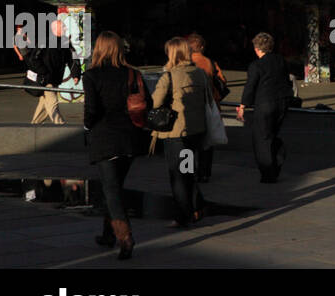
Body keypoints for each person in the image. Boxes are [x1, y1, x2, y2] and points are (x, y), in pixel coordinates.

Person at [82, 32, 147, 258]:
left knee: (111, 190)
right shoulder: (132, 73)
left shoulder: (91, 75)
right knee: (115, 186)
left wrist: (87, 127)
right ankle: (107, 234)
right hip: (130, 137)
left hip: (105, 137)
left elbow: (91, 110)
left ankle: (124, 236)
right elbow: (143, 104)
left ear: (98, 49)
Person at [150, 36, 210, 227]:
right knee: (188, 171)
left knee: (178, 176)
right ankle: (194, 208)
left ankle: (183, 214)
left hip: (177, 134)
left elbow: (155, 103)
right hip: (195, 131)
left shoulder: (169, 76)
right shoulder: (199, 73)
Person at [237, 32, 293, 183]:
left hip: (265, 104)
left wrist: (243, 105)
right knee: (273, 133)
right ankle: (277, 158)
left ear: (256, 48)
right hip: (282, 102)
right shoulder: (280, 60)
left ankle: (268, 172)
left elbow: (250, 86)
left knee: (262, 138)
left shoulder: (256, 65)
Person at [18, 17, 81, 125]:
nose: (66, 28)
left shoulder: (65, 42)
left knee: (43, 103)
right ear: (55, 29)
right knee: (53, 103)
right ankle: (61, 125)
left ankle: (34, 125)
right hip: (46, 80)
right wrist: (44, 72)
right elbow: (34, 59)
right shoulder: (45, 42)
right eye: (63, 26)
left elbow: (72, 59)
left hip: (55, 78)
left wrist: (75, 74)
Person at [187, 33, 227, 182]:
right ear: (202, 47)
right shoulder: (210, 62)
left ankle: (188, 171)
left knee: (188, 144)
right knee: (206, 143)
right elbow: (222, 81)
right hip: (208, 107)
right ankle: (204, 173)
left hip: (190, 109)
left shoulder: (184, 63)